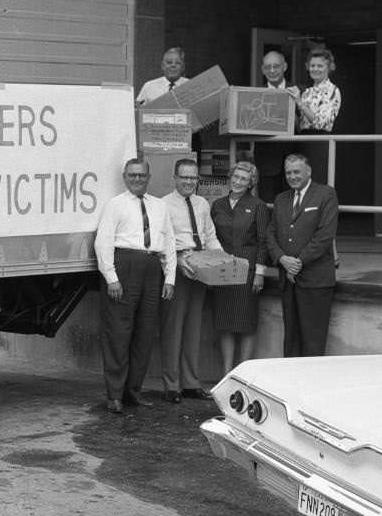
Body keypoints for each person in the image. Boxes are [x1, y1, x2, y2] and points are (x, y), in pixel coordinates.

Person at [93, 158, 176, 414]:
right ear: (124, 176)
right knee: (119, 333)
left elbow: (169, 243)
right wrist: (111, 278)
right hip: (124, 266)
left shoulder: (160, 206)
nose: (137, 179)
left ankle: (133, 391)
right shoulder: (115, 205)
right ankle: (115, 394)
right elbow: (103, 242)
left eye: (141, 175)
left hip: (152, 268)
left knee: (145, 333)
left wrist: (170, 278)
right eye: (132, 175)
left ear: (149, 177)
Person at [156, 157, 223, 402]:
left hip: (200, 267)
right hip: (177, 269)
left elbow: (210, 236)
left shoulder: (202, 203)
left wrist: (220, 260)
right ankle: (172, 385)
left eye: (193, 177)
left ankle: (191, 383)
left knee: (194, 329)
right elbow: (163, 242)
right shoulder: (163, 205)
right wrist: (175, 264)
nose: (188, 182)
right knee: (173, 329)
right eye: (184, 177)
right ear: (174, 178)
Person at [267, 154, 339, 356]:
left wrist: (298, 262)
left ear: (308, 171)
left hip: (315, 280)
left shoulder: (326, 194)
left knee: (313, 341)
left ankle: (311, 385)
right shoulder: (281, 199)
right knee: (291, 340)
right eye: (288, 172)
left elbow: (325, 235)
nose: (292, 176)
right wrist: (282, 259)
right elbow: (271, 233)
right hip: (288, 280)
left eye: (296, 172)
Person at [210, 159, 271, 373]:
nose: (238, 181)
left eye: (243, 179)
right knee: (225, 323)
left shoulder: (258, 206)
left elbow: (264, 241)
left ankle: (242, 373)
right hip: (223, 271)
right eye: (235, 177)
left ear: (250, 183)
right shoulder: (218, 205)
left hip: (247, 272)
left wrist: (260, 273)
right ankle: (227, 373)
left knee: (245, 324)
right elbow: (211, 237)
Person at [255, 50, 300, 202]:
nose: (272, 71)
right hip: (267, 160)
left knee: (293, 207)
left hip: (294, 158)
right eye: (268, 67)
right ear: (262, 69)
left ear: (285, 66)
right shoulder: (254, 94)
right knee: (267, 207)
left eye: (276, 66)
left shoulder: (299, 91)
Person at [295, 46, 341, 178]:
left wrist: (299, 103)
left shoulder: (332, 90)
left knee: (316, 184)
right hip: (303, 142)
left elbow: (319, 123)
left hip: (319, 142)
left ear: (329, 67)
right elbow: (302, 124)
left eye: (320, 66)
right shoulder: (307, 92)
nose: (315, 69)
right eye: (312, 65)